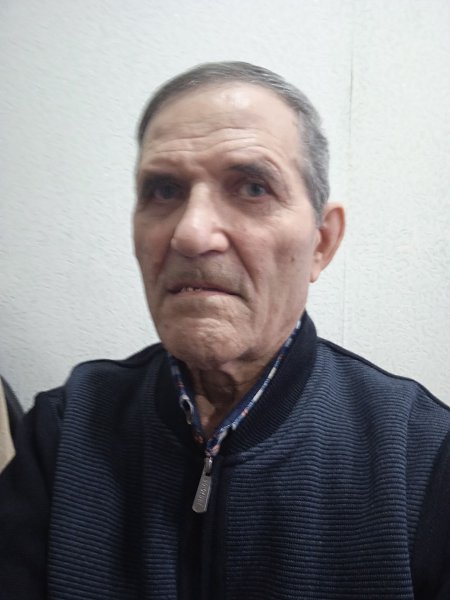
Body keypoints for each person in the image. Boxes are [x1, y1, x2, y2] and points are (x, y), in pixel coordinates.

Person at [0, 62, 449, 600]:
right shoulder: (65, 429)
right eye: (164, 190)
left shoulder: (421, 456)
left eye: (253, 188)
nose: (191, 234)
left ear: (322, 243)